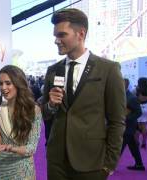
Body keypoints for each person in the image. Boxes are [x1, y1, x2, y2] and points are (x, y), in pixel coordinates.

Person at [41, 8, 126, 179]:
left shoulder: (108, 69)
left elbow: (117, 120)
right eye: (55, 36)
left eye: (62, 35)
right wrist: (50, 105)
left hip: (91, 162)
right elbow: (45, 114)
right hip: (57, 161)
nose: (56, 41)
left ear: (80, 34)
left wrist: (109, 164)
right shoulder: (52, 70)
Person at [0, 65, 41, 179]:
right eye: (0, 83)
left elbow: (32, 148)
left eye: (8, 83)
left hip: (22, 169)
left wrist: (10, 148)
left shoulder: (33, 110)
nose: (3, 87)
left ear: (18, 83)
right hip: (1, 167)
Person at [121, 78, 145, 171]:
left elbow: (138, 112)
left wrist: (125, 118)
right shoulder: (123, 95)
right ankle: (139, 165)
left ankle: (108, 167)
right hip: (127, 127)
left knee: (119, 147)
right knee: (133, 147)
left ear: (125, 85)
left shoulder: (131, 97)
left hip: (128, 127)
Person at [134, 77, 147, 149]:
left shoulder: (136, 90)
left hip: (138, 107)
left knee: (137, 127)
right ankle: (144, 142)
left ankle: (137, 142)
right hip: (146, 107)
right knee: (144, 127)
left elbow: (133, 99)